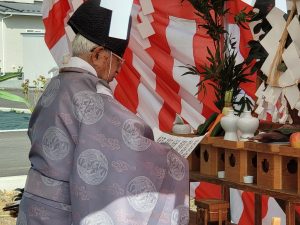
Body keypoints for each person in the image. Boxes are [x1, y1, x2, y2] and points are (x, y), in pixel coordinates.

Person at [17, 0, 189, 224]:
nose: (119, 69)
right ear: (97, 54)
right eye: (118, 60)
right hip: (61, 212)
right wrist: (171, 155)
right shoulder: (90, 96)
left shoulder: (56, 84)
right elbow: (129, 140)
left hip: (34, 204)